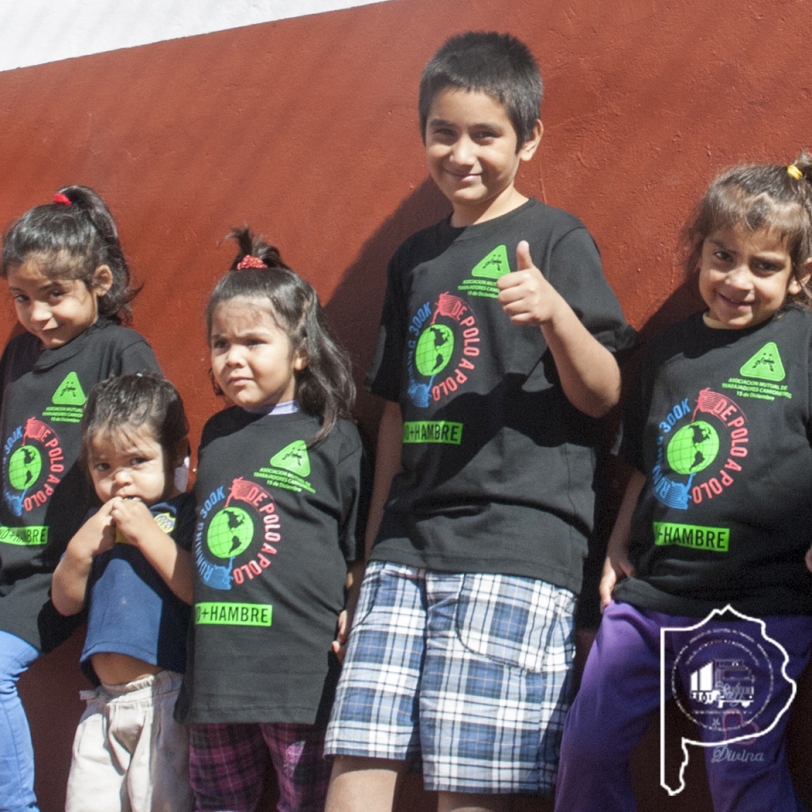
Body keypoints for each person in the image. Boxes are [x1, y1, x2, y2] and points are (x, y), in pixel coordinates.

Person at [324, 31, 635, 812]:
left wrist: (557, 315)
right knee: (355, 769)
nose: (462, 153)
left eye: (486, 134)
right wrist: (368, 559)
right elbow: (396, 412)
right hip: (404, 549)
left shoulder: (557, 239)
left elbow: (605, 395)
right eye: (444, 132)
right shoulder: (413, 259)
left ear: (529, 139)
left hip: (514, 546)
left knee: (471, 792)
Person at [555, 156, 812, 812]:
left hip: (757, 605)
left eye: (764, 265)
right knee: (585, 747)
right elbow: (647, 461)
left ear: (800, 274)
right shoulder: (667, 353)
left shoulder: (804, 344)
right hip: (651, 601)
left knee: (739, 766)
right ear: (698, 252)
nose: (737, 280)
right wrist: (617, 545)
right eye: (723, 256)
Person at [174, 227, 367, 812]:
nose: (233, 358)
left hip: (298, 680)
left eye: (254, 342)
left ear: (300, 351)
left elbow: (356, 552)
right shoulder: (215, 435)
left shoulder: (333, 438)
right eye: (220, 343)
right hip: (214, 679)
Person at [0, 186, 160, 812]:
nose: (38, 315)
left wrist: (105, 530)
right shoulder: (18, 354)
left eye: (54, 296)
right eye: (21, 298)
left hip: (61, 569)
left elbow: (147, 450)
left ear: (98, 281)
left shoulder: (119, 350)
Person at [50, 372, 194, 812]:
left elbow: (195, 590)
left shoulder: (182, 515)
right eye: (103, 466)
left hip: (164, 699)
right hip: (102, 705)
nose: (120, 479)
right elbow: (64, 601)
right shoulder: (96, 526)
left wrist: (149, 535)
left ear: (176, 459)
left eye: (137, 461)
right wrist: (80, 549)